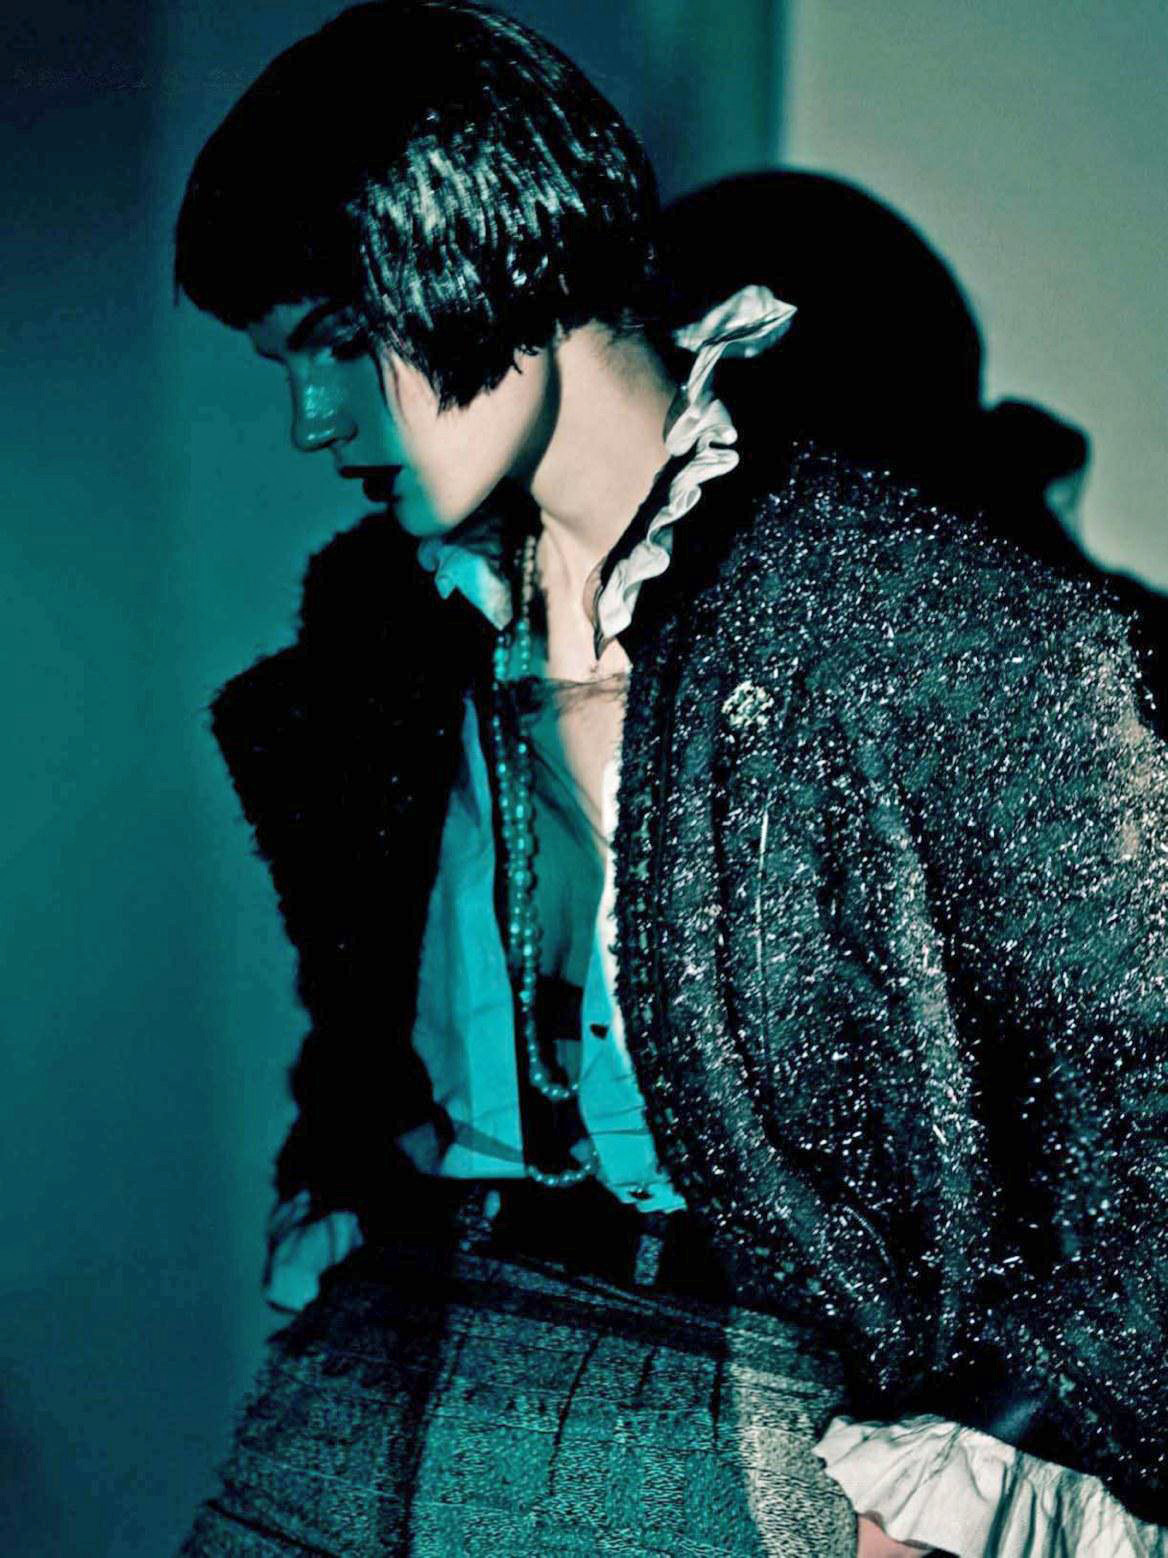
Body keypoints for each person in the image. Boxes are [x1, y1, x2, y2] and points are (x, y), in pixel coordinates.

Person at [173, 4, 1168, 1553]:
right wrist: (341, 1169)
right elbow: (371, 1006)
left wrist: (988, 1443)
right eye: (284, 362)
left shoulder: (928, 627)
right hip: (398, 1345)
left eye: (344, 343)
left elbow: (1138, 1103)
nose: (312, 421)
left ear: (490, 257)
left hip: (753, 1392)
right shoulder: (378, 640)